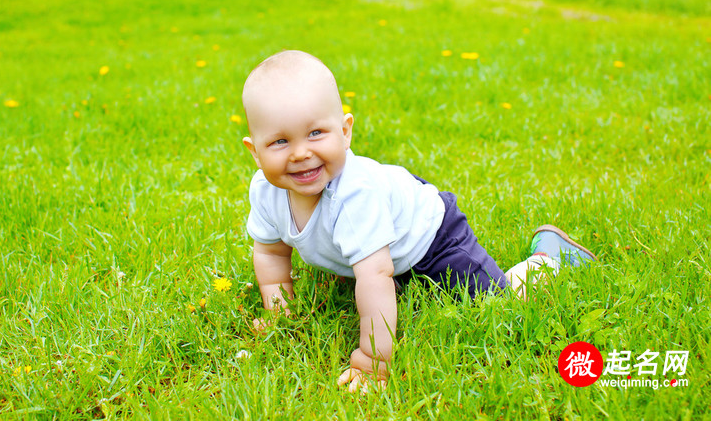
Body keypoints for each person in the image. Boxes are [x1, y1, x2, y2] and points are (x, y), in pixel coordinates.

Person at [240, 50, 596, 393]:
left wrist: (373, 360)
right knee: (384, 277)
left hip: (431, 236)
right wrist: (278, 312)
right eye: (281, 141)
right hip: (383, 247)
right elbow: (272, 255)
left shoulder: (353, 196)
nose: (301, 152)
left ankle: (549, 258)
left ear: (345, 131)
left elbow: (374, 275)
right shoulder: (266, 192)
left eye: (316, 133)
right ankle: (402, 281)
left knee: (496, 302)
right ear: (255, 152)